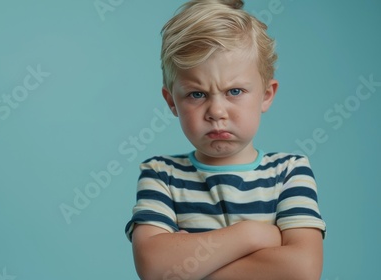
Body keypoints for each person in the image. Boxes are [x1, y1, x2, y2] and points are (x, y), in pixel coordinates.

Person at [124, 0, 326, 279]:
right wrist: (253, 234)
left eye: (234, 91)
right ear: (172, 101)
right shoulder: (161, 174)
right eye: (197, 94)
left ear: (266, 95)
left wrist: (191, 267)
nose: (216, 112)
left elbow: (302, 269)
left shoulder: (289, 172)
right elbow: (154, 268)